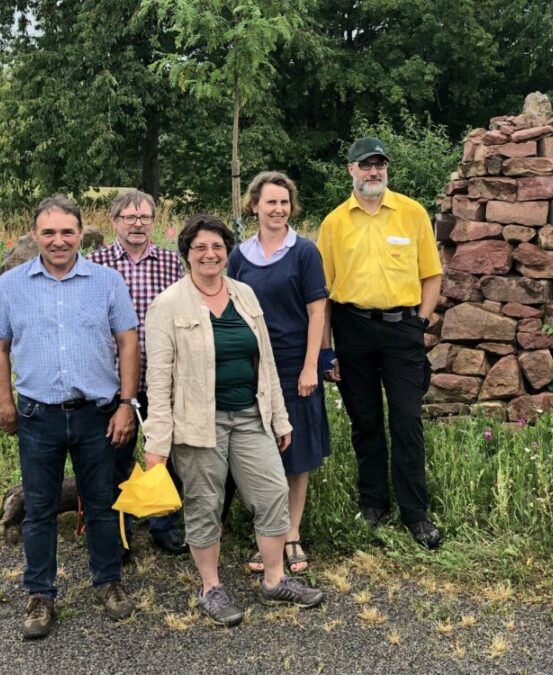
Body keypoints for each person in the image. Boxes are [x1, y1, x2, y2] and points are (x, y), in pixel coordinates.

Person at [144, 214, 323, 627]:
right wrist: (156, 444)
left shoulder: (244, 295)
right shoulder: (168, 305)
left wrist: (280, 419)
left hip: (250, 415)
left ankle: (275, 579)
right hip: (197, 423)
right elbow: (159, 381)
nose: (210, 254)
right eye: (200, 247)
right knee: (206, 504)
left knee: (274, 491)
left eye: (218, 246)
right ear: (187, 253)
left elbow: (267, 363)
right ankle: (210, 587)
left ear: (228, 251)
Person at [0, 195, 140, 640]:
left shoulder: (106, 282)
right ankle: (40, 595)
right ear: (35, 235)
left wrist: (127, 403)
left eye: (67, 232)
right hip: (37, 416)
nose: (58, 241)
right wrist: (6, 404)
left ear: (81, 234)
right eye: (48, 232)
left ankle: (108, 582)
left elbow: (128, 342)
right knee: (37, 509)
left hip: (98, 413)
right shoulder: (13, 285)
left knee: (103, 502)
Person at [316, 137, 443, 549]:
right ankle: (373, 503)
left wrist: (421, 321)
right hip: (352, 329)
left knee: (407, 420)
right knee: (365, 421)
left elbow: (432, 274)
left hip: (402, 328)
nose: (373, 172)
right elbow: (323, 293)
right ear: (350, 170)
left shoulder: (411, 213)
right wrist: (326, 348)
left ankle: (416, 513)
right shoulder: (334, 222)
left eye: (380, 165)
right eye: (365, 165)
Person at [227, 171, 331, 574]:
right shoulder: (238, 256)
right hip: (251, 368)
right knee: (259, 455)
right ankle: (267, 535)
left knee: (296, 455)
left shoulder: (305, 252)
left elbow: (317, 311)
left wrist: (311, 367)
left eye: (284, 202)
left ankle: (291, 535)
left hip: (292, 365)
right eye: (270, 202)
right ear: (254, 205)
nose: (278, 209)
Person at [88, 190, 187, 556]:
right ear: (114, 221)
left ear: (153, 221)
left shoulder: (170, 263)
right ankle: (121, 531)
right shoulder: (95, 265)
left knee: (165, 456)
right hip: (113, 381)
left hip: (162, 378)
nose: (137, 224)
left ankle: (163, 523)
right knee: (115, 458)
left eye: (144, 217)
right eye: (129, 217)